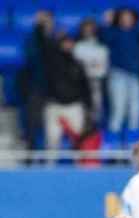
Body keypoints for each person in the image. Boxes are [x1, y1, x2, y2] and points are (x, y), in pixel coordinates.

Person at [43, 33, 92, 157]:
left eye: (70, 43)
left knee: (80, 139)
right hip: (54, 106)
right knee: (52, 139)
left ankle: (81, 167)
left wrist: (89, 105)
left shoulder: (78, 64)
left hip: (74, 105)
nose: (68, 45)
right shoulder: (51, 62)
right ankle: (49, 167)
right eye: (65, 42)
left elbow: (85, 86)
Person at [100, 8, 139, 134]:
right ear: (118, 19)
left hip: (135, 75)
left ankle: (133, 138)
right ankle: (113, 140)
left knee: (135, 109)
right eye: (123, 17)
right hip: (117, 74)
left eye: (129, 17)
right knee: (118, 108)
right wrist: (106, 23)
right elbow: (103, 39)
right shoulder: (113, 32)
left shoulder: (138, 32)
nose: (126, 19)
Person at [20, 10, 54, 152]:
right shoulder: (33, 39)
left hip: (55, 89)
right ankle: (31, 153)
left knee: (48, 124)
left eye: (48, 21)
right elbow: (33, 59)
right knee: (34, 123)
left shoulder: (53, 39)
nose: (46, 24)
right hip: (36, 87)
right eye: (42, 21)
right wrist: (39, 29)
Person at [73, 18, 109, 126]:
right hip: (79, 82)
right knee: (81, 108)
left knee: (96, 107)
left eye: (91, 29)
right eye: (86, 29)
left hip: (96, 81)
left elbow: (103, 67)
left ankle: (93, 131)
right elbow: (77, 65)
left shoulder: (102, 46)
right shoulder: (76, 46)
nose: (88, 31)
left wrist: (90, 65)